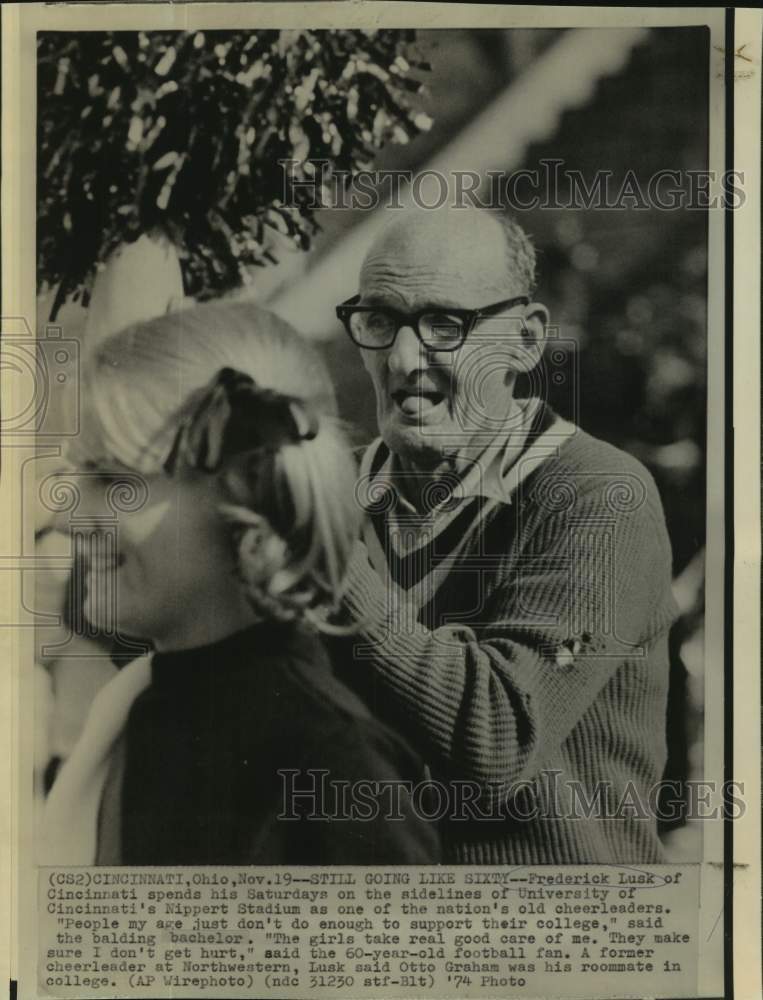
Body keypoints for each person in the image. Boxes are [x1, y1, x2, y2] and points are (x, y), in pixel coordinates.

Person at [333, 205, 679, 864]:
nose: (405, 359)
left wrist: (319, 558)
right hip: (379, 944)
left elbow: (497, 740)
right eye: (380, 320)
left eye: (445, 324)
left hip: (563, 946)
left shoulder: (599, 495)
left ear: (524, 339)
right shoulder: (337, 492)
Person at [41, 300, 440, 866]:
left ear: (244, 497)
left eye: (111, 478)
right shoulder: (144, 712)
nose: (64, 517)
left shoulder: (329, 762)